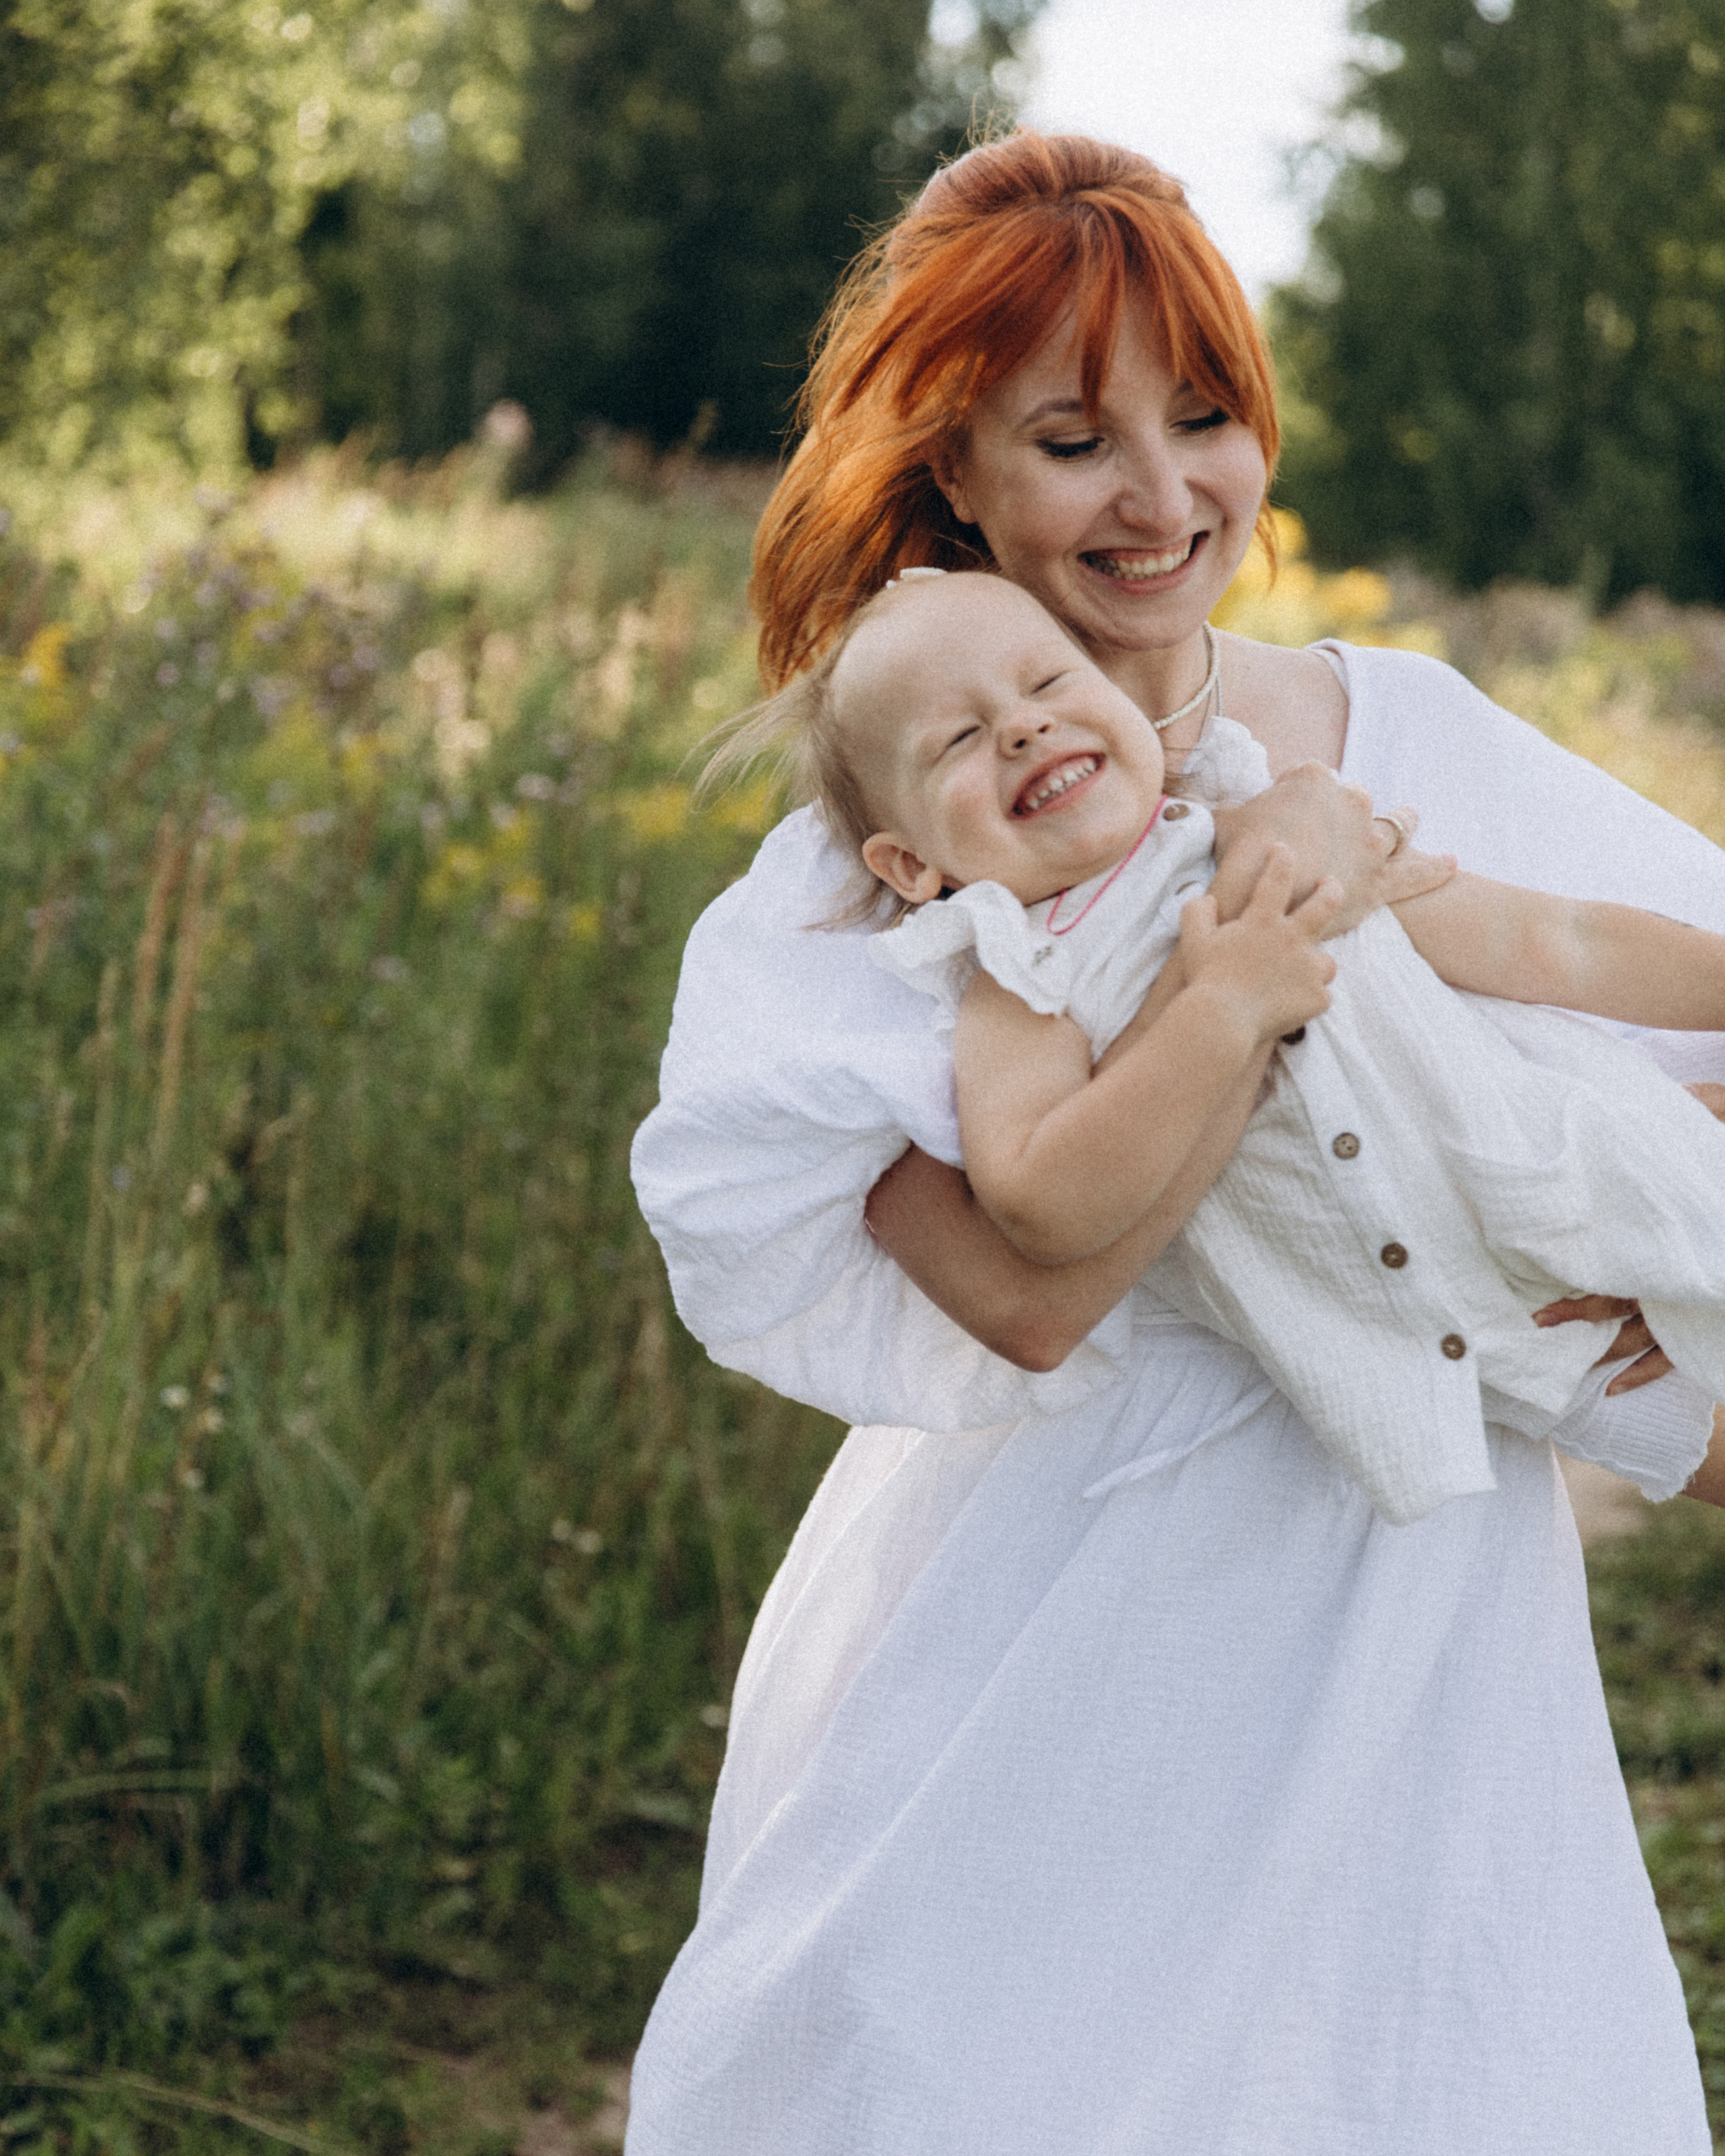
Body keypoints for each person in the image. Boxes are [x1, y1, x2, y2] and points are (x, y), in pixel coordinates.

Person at [627, 132, 1725, 2153]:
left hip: (1418, 1597)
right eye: (1073, 443)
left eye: (1204, 417)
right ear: (956, 469)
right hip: (1073, 1609)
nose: (1162, 498)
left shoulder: (1399, 737)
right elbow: (1026, 1296)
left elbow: (1635, 969)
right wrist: (1245, 987)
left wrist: (1600, 1235)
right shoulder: (888, 871)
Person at [741, 563, 1725, 1526]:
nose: (1023, 727)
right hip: (1469, 1355)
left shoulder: (1282, 838)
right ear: (909, 865)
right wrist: (1221, 1011)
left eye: (1049, 683)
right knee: (1650, 1416)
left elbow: (1554, 943)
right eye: (958, 738)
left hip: (1595, 1167)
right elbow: (1043, 1206)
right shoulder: (1022, 983)